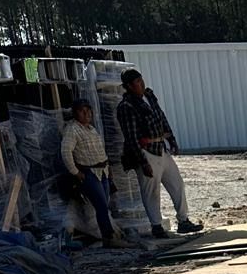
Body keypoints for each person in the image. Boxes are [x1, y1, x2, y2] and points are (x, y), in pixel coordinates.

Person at [115, 68, 202, 238]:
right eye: (137, 82)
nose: (142, 84)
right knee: (151, 191)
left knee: (177, 184)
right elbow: (131, 138)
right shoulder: (126, 107)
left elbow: (161, 117)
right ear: (129, 86)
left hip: (161, 148)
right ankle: (156, 226)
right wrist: (143, 162)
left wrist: (172, 140)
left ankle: (183, 220)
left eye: (141, 80)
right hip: (145, 151)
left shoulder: (149, 96)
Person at [60, 99, 123, 249]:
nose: (87, 114)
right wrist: (75, 172)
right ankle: (109, 237)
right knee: (101, 206)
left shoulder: (91, 129)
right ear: (76, 113)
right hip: (89, 172)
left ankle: (108, 237)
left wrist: (109, 169)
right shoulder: (72, 129)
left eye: (88, 111)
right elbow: (65, 151)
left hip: (102, 171)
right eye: (82, 111)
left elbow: (100, 151)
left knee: (104, 205)